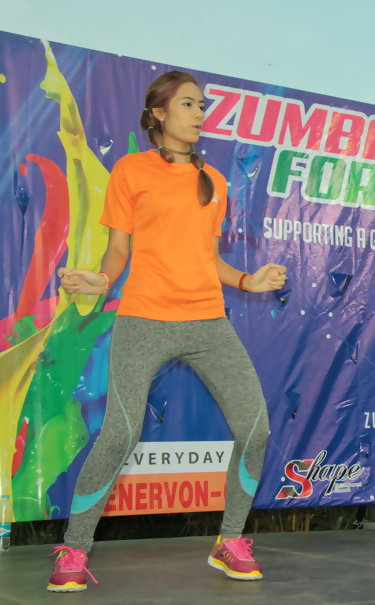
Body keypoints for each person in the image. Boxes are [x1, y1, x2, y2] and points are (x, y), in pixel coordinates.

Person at [47, 71, 286, 593]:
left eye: (202, 106)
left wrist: (248, 280)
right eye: (188, 104)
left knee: (255, 429)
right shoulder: (131, 170)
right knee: (120, 434)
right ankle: (74, 548)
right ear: (158, 113)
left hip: (208, 323)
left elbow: (209, 259)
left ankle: (229, 540)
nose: (199, 114)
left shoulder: (215, 180)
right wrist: (102, 279)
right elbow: (118, 250)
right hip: (145, 320)